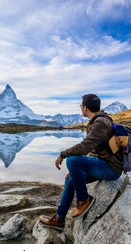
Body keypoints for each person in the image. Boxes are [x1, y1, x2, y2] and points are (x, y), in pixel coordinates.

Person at [39, 94, 123, 231]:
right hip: (104, 164)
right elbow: (94, 149)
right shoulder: (97, 121)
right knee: (71, 180)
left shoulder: (100, 122)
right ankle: (59, 219)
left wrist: (63, 154)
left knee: (72, 159)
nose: (81, 109)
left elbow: (85, 147)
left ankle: (84, 200)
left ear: (85, 107)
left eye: (81, 106)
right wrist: (74, 171)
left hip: (110, 169)